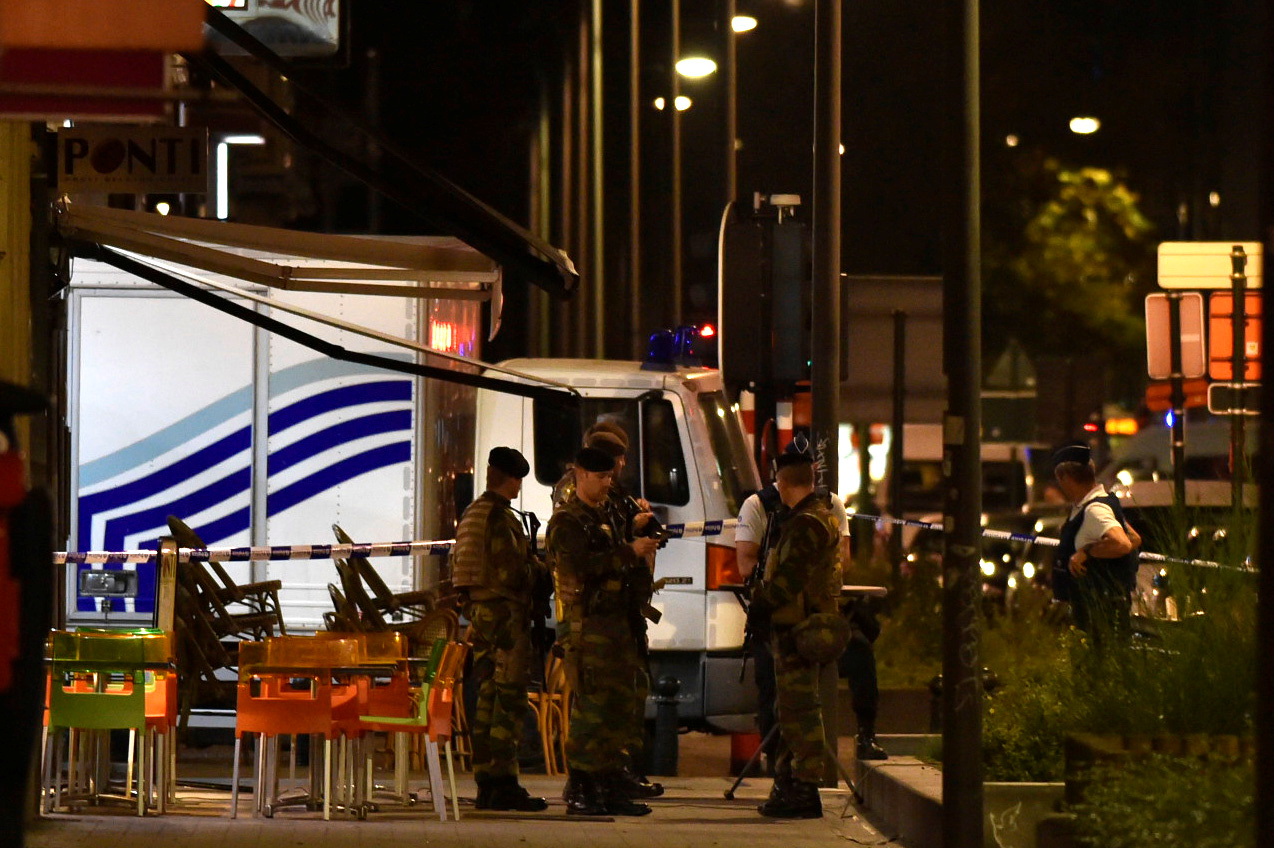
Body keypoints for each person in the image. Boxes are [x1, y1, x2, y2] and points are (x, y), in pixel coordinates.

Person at [737, 475, 887, 770]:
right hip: (787, 618)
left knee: (851, 662)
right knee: (778, 687)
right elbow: (746, 564)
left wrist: (769, 596)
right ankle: (779, 761)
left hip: (813, 616)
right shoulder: (758, 506)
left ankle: (848, 746)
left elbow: (840, 562)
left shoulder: (822, 512)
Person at [548, 446, 661, 816]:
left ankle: (609, 781)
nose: (607, 484)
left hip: (618, 624)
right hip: (588, 626)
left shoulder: (608, 514)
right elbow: (580, 566)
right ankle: (581, 784)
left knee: (619, 705)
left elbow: (616, 541)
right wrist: (630, 551)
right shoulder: (567, 521)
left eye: (610, 477)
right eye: (600, 478)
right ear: (580, 475)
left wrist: (636, 530)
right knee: (592, 707)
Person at [451, 447, 549, 811]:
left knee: (487, 700)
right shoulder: (500, 518)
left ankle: (487, 781)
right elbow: (512, 573)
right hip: (505, 616)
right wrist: (540, 569)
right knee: (508, 700)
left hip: (481, 616)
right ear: (512, 479)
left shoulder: (473, 512)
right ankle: (504, 782)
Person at [748, 451, 842, 819]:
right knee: (789, 708)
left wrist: (762, 604)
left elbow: (790, 579)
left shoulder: (807, 524)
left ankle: (803, 786)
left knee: (799, 710)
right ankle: (789, 783)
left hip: (799, 628)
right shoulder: (814, 518)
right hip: (799, 626)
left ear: (782, 482)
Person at [1051, 443, 1142, 642]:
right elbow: (1133, 538)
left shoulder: (1095, 509)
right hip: (1099, 605)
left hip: (1099, 609)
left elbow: (1123, 544)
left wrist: (1087, 551)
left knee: (1097, 664)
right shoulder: (1096, 503)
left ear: (1065, 478)